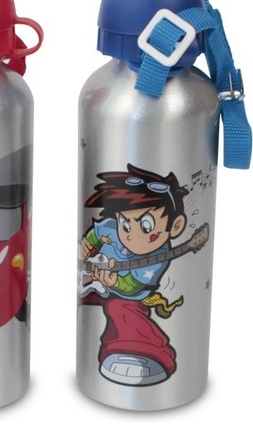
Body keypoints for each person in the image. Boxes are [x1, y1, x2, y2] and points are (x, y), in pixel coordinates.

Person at [80, 163, 189, 386]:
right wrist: (88, 246)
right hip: (95, 285)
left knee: (120, 309)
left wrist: (115, 281)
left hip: (126, 296)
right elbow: (96, 234)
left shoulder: (157, 258)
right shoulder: (111, 227)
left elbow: (133, 285)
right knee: (104, 315)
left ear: (176, 226)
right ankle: (112, 350)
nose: (130, 235)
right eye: (126, 224)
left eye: (146, 226)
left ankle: (153, 354)